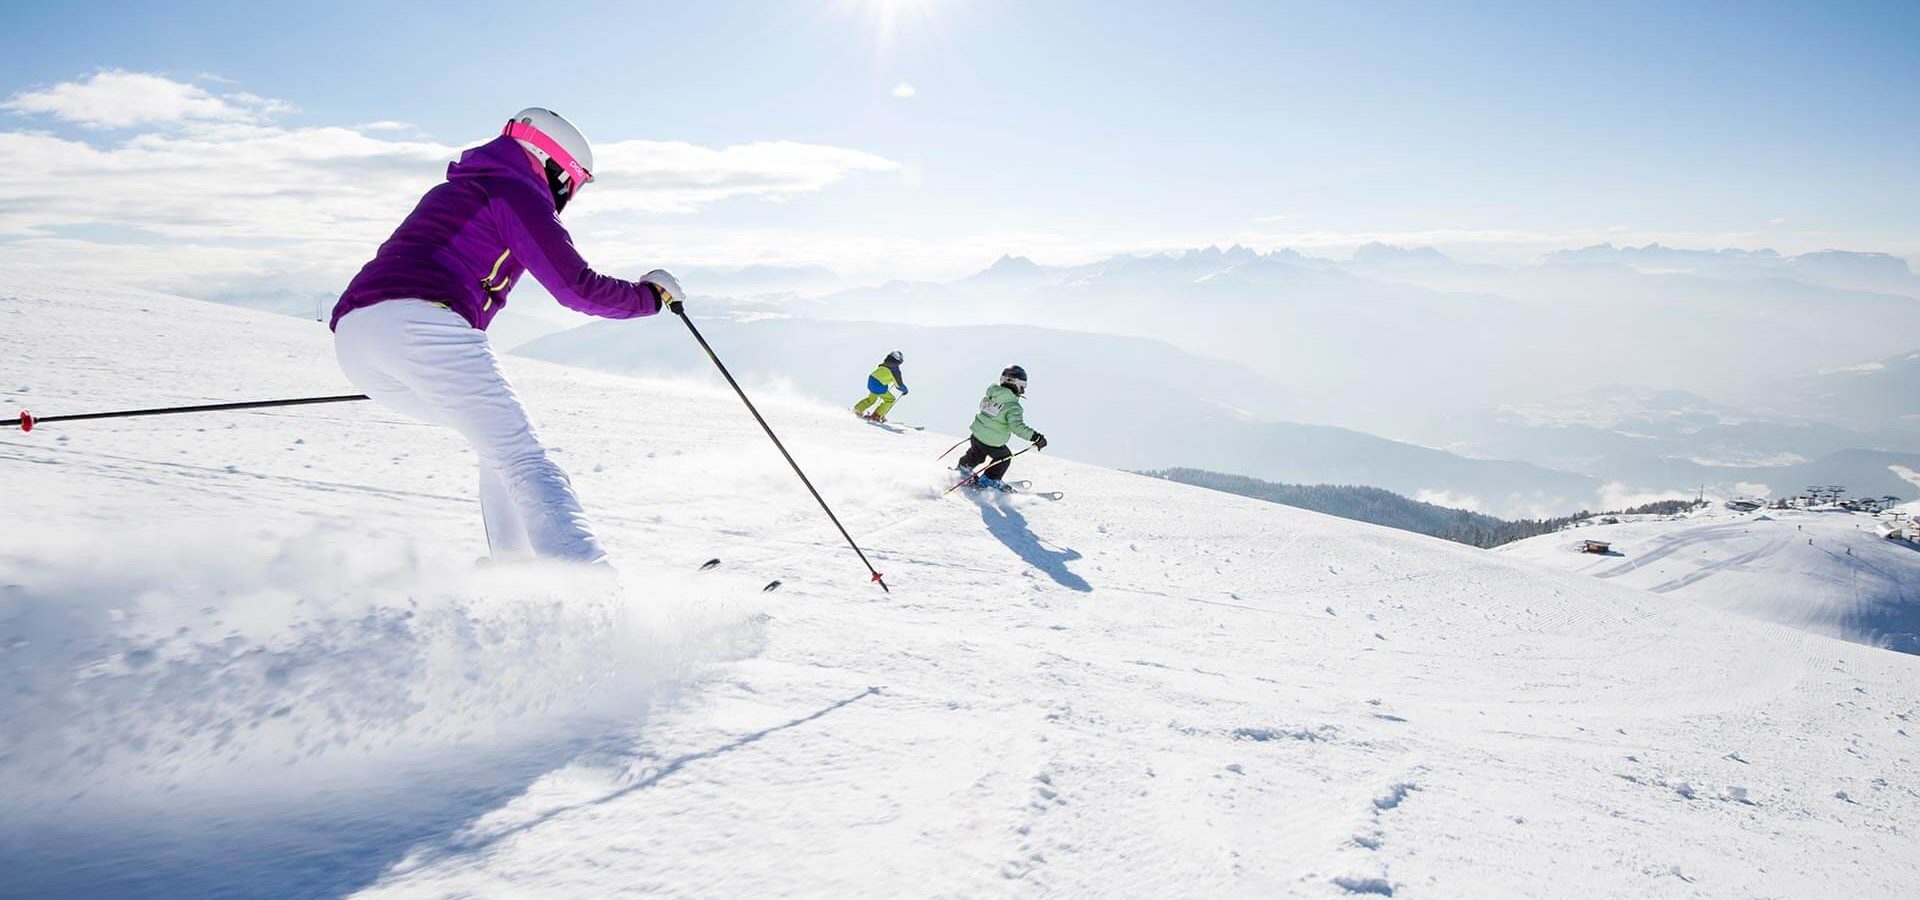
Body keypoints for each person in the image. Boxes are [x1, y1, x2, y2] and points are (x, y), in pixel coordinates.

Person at [330, 108, 685, 565]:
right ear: (556, 167)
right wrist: (651, 297)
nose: (567, 196)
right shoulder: (518, 191)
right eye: (573, 185)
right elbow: (577, 288)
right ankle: (590, 591)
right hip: (418, 326)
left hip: (356, 337)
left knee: (495, 446)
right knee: (523, 457)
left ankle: (514, 571)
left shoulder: (458, 189)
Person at [956, 364, 1048, 490]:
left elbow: (984, 409)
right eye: (1023, 385)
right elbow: (1017, 427)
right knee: (1004, 457)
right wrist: (1036, 437)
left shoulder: (991, 396)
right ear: (1016, 383)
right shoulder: (1013, 406)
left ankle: (963, 468)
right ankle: (989, 480)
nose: (1023, 389)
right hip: (992, 441)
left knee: (977, 454)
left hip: (977, 435)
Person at [852, 350, 909, 423]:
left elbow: (882, 376)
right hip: (878, 385)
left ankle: (857, 410)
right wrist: (905, 390)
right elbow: (899, 385)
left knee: (871, 399)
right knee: (890, 399)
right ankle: (876, 416)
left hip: (871, 381)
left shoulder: (884, 364)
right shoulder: (895, 370)